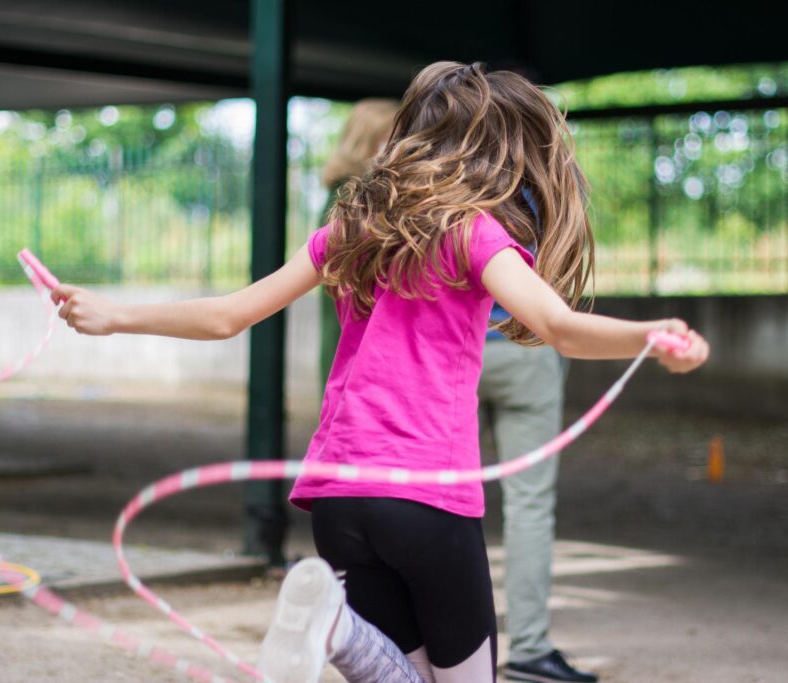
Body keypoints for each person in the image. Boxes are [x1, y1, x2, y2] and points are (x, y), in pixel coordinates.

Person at [51, 61, 710, 683]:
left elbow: (229, 315)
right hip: (426, 498)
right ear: (502, 152)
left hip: (338, 500)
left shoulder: (352, 227)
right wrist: (651, 336)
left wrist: (115, 314)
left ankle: (336, 627)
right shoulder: (477, 233)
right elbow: (559, 326)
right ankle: (334, 625)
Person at [479, 188, 598, 682]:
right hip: (527, 344)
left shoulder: (444, 171)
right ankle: (529, 648)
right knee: (529, 504)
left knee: (432, 497)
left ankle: (428, 646)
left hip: (448, 344)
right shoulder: (545, 179)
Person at [318, 99, 400, 388]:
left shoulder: (343, 191)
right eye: (393, 138)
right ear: (370, 142)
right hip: (357, 333)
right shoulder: (354, 195)